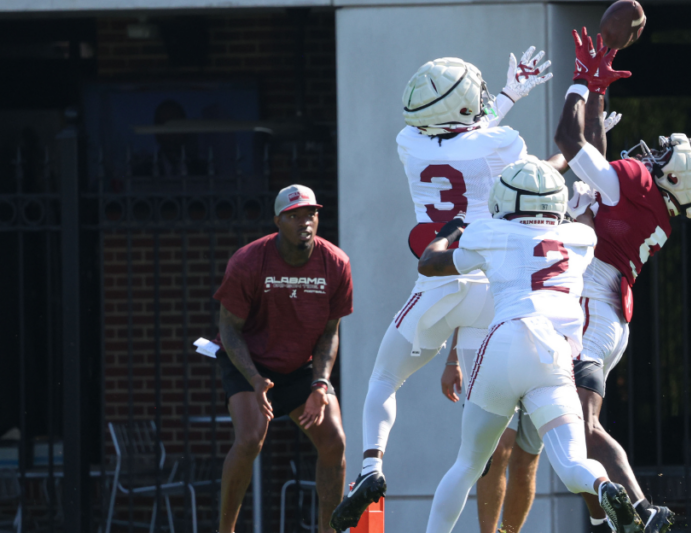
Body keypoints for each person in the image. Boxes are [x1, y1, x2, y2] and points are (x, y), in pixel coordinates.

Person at [330, 49, 555, 531]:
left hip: (437, 278)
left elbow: (459, 133)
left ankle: (371, 465)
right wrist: (518, 96)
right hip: (487, 289)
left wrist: (508, 95)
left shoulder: (407, 141)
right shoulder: (502, 142)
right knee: (474, 447)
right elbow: (524, 172)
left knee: (385, 378)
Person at [418, 156, 645, 533]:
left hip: (506, 341)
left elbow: (429, 263)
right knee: (572, 464)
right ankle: (604, 486)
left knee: (469, 464)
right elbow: (582, 225)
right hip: (553, 355)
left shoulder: (489, 232)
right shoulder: (579, 238)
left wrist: (454, 227)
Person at [552, 29, 691, 533]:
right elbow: (596, 166)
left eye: (666, 156)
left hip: (589, 308)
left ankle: (643, 509)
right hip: (605, 313)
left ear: (672, 179)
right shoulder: (651, 207)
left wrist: (581, 83)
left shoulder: (643, 186)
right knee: (570, 432)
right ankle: (611, 518)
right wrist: (602, 91)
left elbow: (569, 142)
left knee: (582, 427)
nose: (654, 153)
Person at [214, 184, 353, 533]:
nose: (305, 222)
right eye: (294, 216)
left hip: (300, 366)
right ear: (278, 221)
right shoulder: (248, 260)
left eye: (311, 214)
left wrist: (320, 384)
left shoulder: (336, 262)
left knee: (334, 440)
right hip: (250, 362)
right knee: (250, 439)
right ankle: (225, 530)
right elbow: (229, 329)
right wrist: (254, 379)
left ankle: (329, 530)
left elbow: (329, 332)